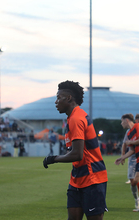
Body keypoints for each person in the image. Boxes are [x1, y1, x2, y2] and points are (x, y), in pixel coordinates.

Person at [43, 80, 108, 220]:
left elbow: (77, 154)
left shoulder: (77, 119)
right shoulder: (72, 117)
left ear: (69, 98)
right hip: (77, 179)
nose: (56, 102)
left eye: (58, 98)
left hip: (92, 178)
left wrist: (53, 158)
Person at [120, 113, 139, 210]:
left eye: (122, 121)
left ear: (126, 120)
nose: (121, 123)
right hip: (132, 158)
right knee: (133, 182)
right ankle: (137, 199)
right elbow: (126, 145)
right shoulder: (128, 132)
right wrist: (122, 156)